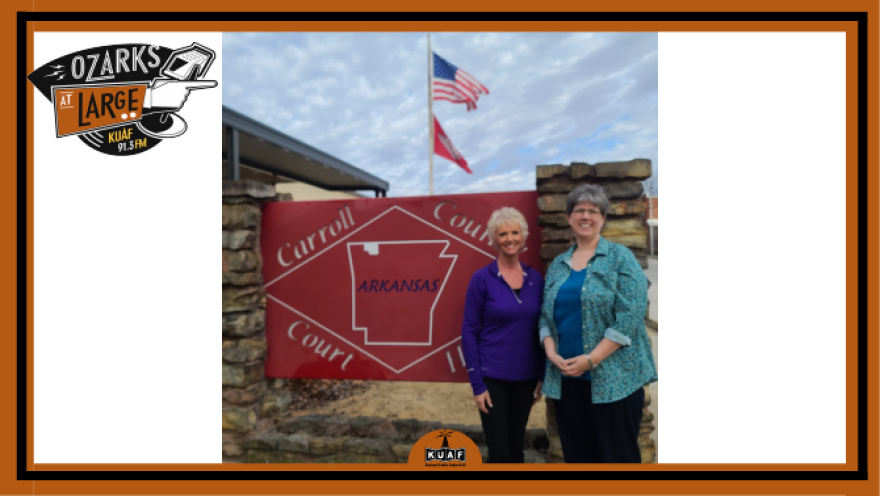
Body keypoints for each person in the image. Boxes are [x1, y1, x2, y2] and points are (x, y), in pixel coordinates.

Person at [539, 184, 657, 463]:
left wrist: (591, 360)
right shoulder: (558, 264)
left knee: (617, 459)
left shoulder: (621, 258)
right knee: (579, 459)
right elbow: (544, 314)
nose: (586, 216)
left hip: (615, 382)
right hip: (567, 381)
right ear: (569, 217)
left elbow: (630, 315)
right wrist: (550, 351)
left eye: (593, 211)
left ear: (603, 219)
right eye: (579, 210)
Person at [461, 207, 545, 463]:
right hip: (492, 377)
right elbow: (468, 330)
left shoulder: (537, 280)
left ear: (523, 236)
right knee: (499, 451)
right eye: (503, 234)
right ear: (494, 239)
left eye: (515, 232)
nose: (510, 238)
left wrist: (542, 374)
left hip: (526, 378)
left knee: (516, 447)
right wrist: (477, 383)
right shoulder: (481, 279)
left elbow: (543, 328)